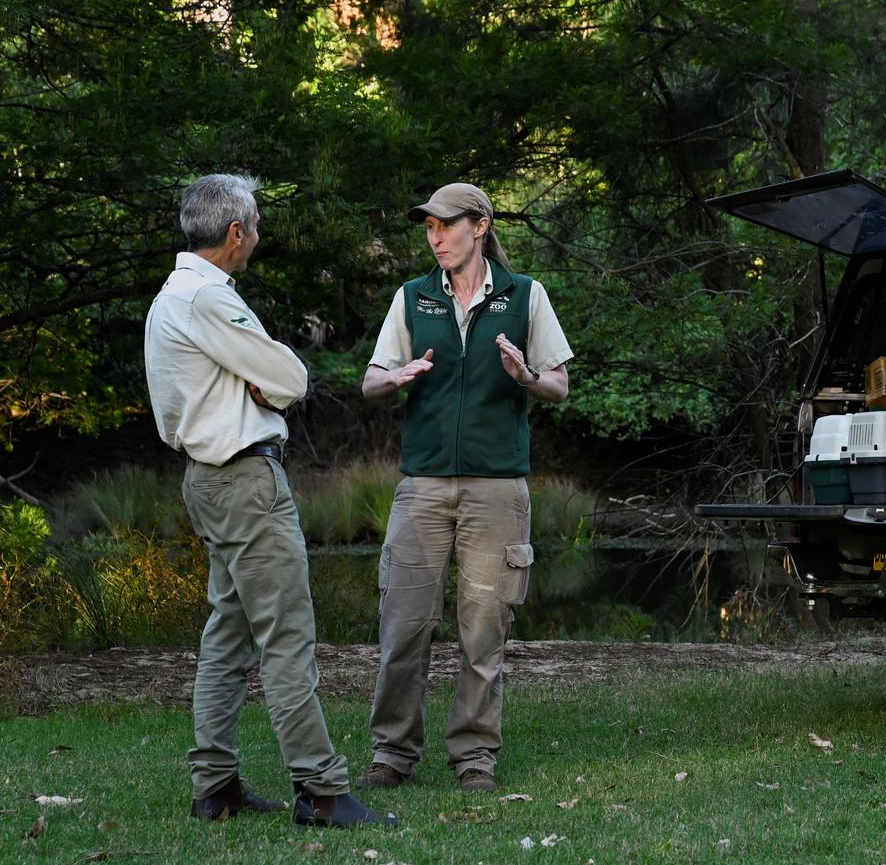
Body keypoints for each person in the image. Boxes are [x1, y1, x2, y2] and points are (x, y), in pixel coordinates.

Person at [144, 173, 397, 828]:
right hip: (244, 482)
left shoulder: (173, 295)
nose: (257, 238)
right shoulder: (206, 298)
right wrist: (262, 382)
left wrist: (253, 380)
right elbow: (289, 375)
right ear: (235, 233)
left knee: (228, 636)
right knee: (287, 639)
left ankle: (215, 785)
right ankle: (319, 790)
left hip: (209, 481)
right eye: (254, 227)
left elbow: (262, 380)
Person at [360, 182, 571, 792]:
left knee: (483, 630)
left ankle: (474, 758)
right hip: (421, 487)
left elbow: (558, 384)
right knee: (403, 626)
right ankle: (393, 755)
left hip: (496, 487)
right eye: (427, 228)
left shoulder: (525, 295)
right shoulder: (412, 298)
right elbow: (371, 382)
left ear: (479, 226)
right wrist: (397, 376)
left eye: (445, 226)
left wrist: (526, 375)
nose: (434, 238)